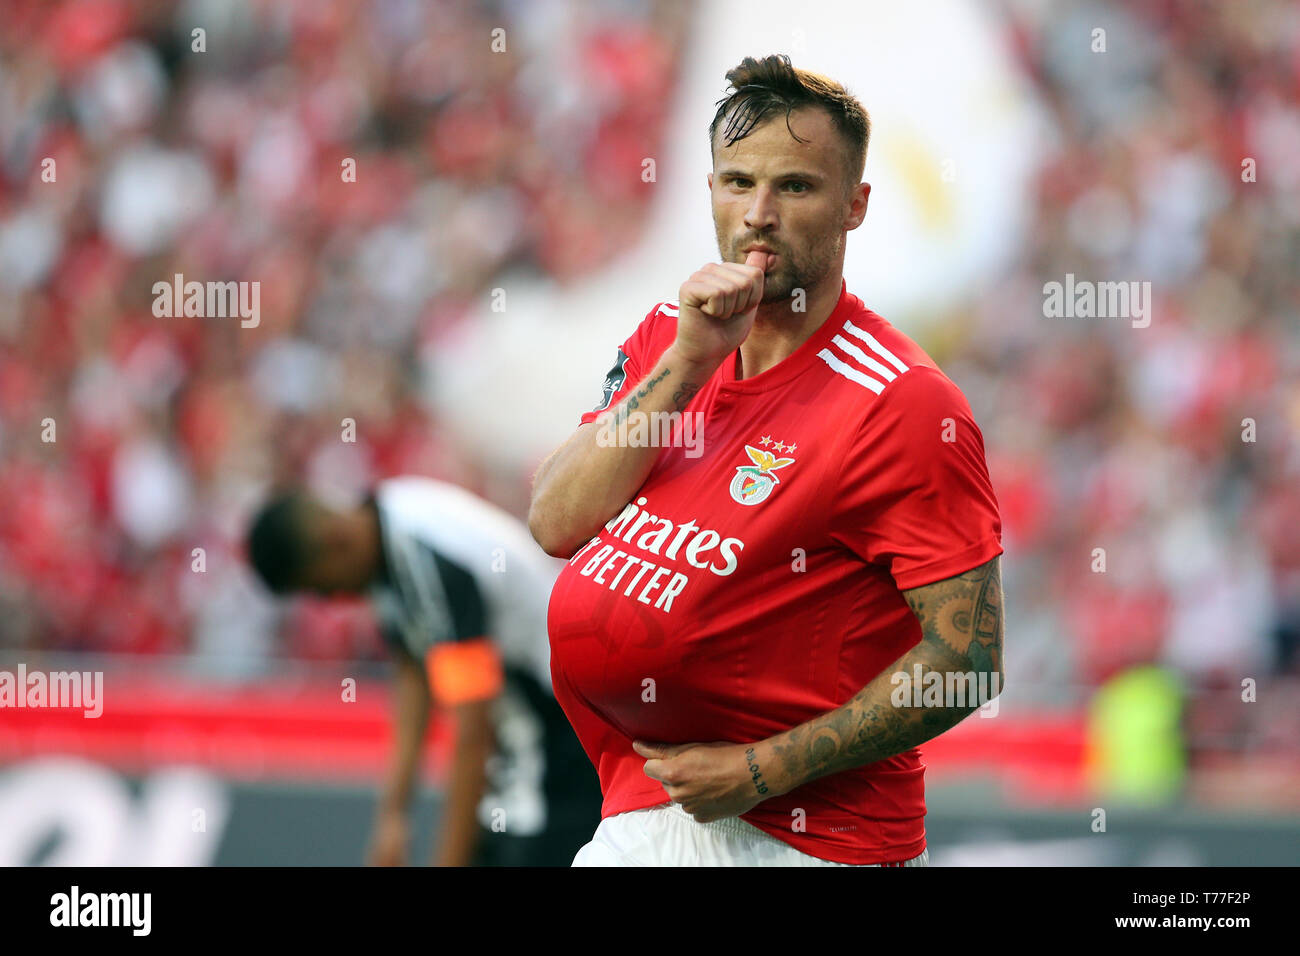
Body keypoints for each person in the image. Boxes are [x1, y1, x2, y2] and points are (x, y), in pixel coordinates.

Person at [529, 54, 1006, 866]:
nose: (759, 212)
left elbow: (967, 661)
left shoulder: (901, 402)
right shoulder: (672, 337)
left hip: (807, 843)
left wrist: (763, 769)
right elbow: (555, 520)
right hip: (642, 809)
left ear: (854, 205)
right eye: (737, 181)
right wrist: (688, 361)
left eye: (795, 186)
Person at [245, 475, 601, 866]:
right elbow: (413, 673)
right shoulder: (383, 535)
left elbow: (472, 732)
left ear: (333, 543)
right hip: (519, 734)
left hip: (559, 727)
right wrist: (394, 816)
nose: (330, 600)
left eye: (320, 587)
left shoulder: (428, 559)